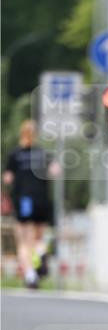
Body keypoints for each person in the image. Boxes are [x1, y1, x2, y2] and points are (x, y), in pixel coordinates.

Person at [3, 119, 59, 288]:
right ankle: (41, 253)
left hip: (24, 200)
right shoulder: (43, 153)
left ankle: (30, 276)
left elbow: (7, 178)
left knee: (24, 241)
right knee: (39, 237)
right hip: (41, 199)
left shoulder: (15, 155)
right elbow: (55, 170)